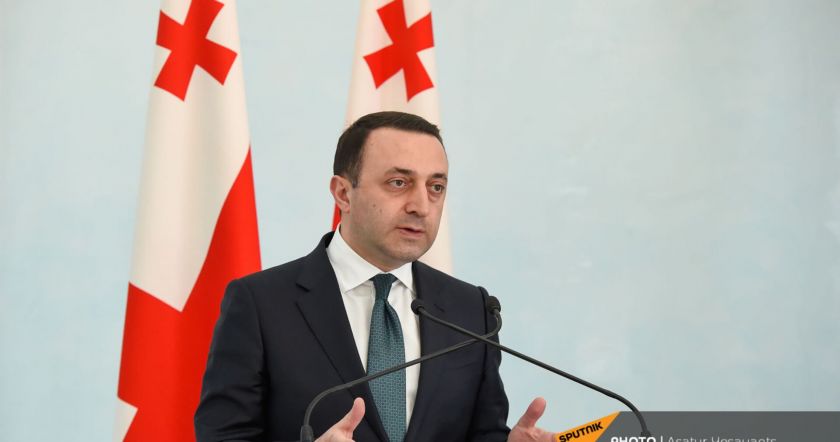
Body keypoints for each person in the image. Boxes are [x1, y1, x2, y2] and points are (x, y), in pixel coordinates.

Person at [195, 111, 554, 441]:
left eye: (436, 187)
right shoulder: (261, 304)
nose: (421, 206)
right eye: (398, 183)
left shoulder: (471, 310)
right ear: (343, 194)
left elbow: (481, 433)